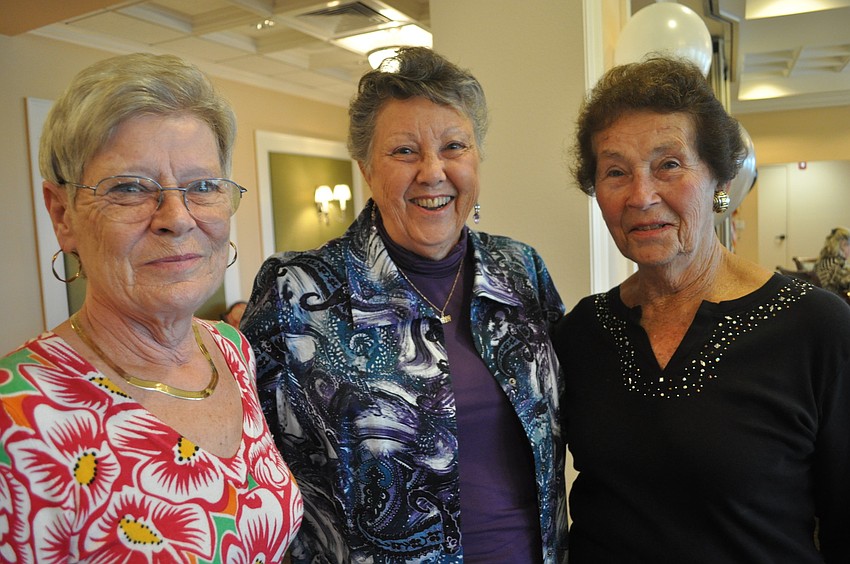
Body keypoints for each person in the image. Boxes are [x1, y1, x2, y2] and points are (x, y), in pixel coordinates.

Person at [242, 46, 567, 563]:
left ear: (477, 158)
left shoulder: (520, 271)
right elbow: (251, 469)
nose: (433, 172)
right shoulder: (297, 290)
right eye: (404, 152)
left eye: (454, 146)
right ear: (367, 169)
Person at [0, 53, 302, 561]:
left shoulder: (230, 350)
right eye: (130, 189)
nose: (177, 219)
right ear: (63, 215)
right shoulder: (16, 427)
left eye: (202, 186)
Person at [552, 55, 850, 562]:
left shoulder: (815, 328)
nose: (641, 196)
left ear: (720, 179)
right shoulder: (580, 333)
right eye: (616, 171)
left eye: (669, 164)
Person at [815, 227, 850, 296]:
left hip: (822, 300)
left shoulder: (825, 261)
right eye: (848, 245)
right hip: (833, 303)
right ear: (842, 245)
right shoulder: (836, 264)